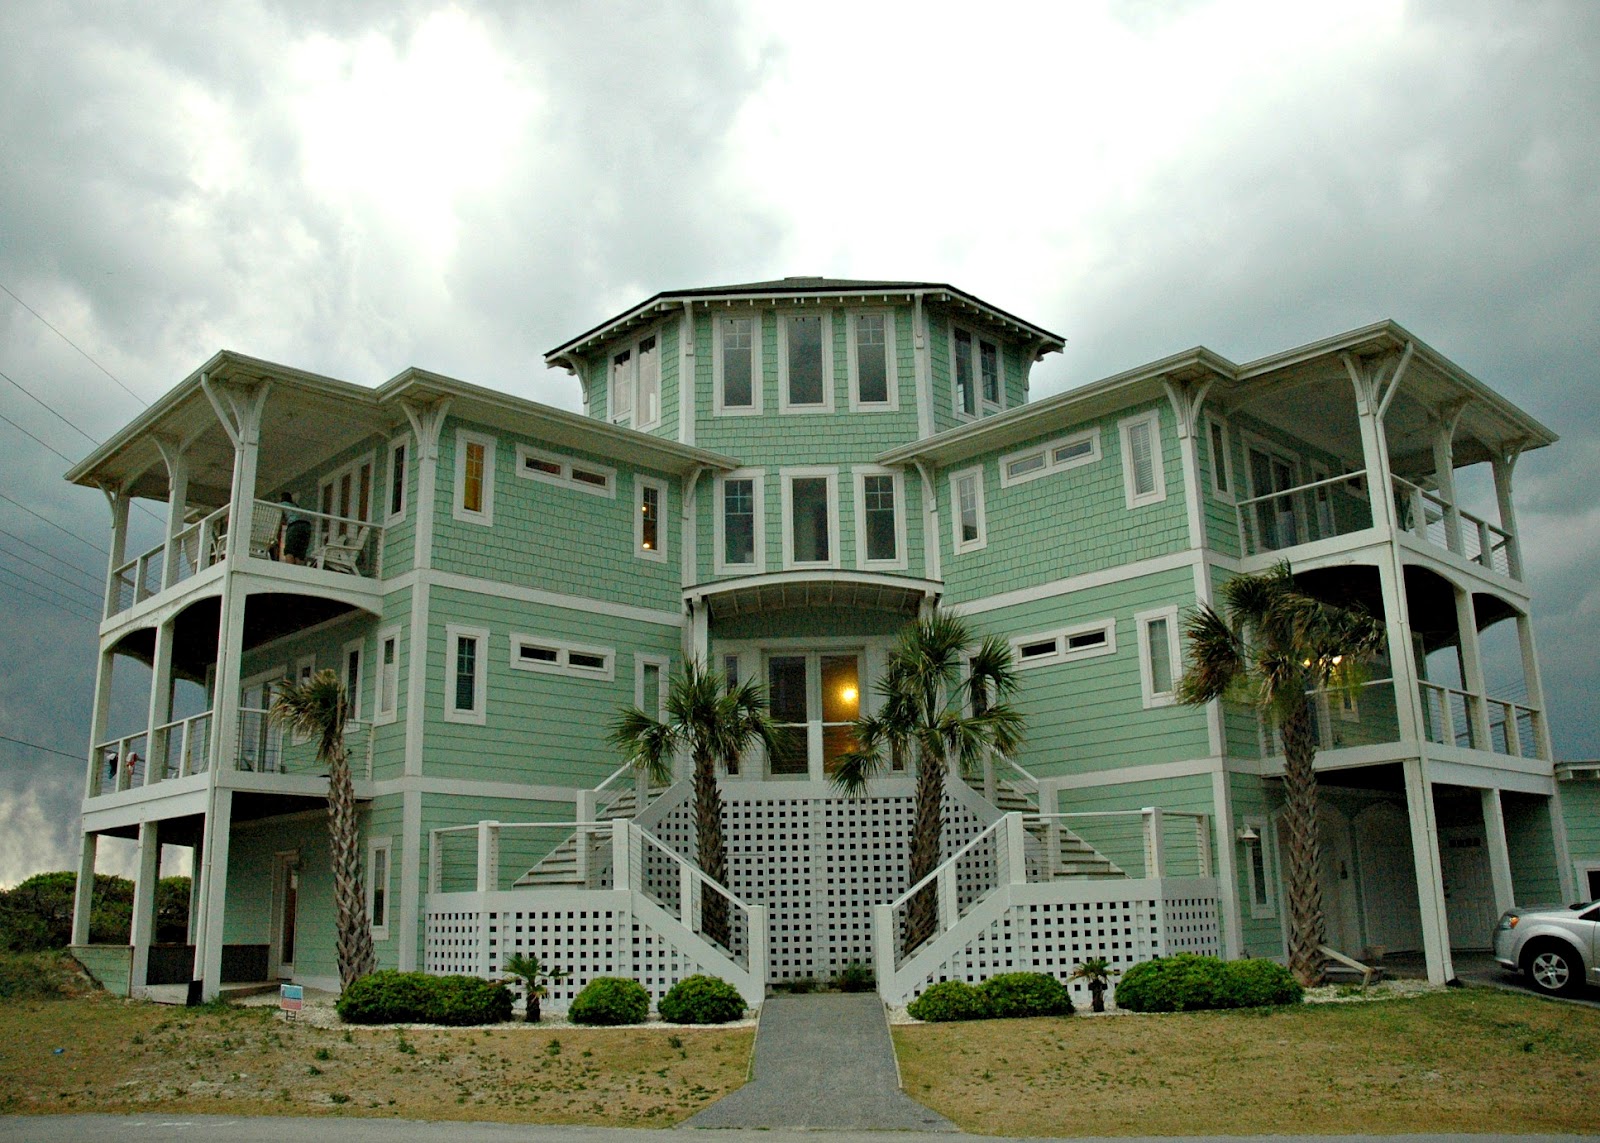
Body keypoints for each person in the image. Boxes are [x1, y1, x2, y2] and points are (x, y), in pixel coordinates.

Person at [279, 492, 312, 564]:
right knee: (300, 553)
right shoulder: (296, 506)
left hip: (295, 525)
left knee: (289, 551)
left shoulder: (281, 504)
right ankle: (298, 570)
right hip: (307, 526)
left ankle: (289, 570)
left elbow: (278, 517)